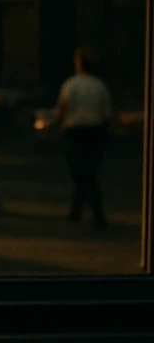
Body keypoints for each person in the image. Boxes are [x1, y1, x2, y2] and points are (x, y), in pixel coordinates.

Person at [57, 46, 113, 228]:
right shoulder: (100, 86)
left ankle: (96, 212)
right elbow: (106, 113)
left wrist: (60, 124)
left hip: (75, 132)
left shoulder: (71, 84)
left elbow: (63, 107)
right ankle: (77, 210)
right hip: (95, 132)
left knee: (81, 173)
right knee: (87, 171)